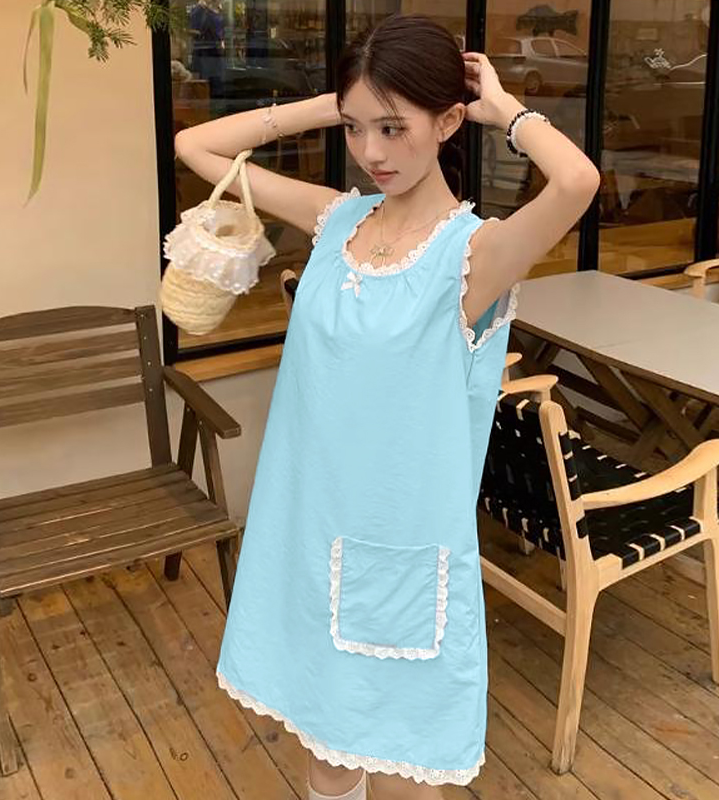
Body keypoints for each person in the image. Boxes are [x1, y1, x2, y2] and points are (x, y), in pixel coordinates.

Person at [174, 13, 599, 800]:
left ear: (448, 122)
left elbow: (576, 182)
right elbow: (196, 148)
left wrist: (505, 109)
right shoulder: (338, 218)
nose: (372, 152)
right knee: (325, 753)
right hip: (304, 529)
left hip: (397, 547)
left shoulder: (474, 254)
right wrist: (335, 101)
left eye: (394, 127)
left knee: (401, 758)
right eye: (356, 129)